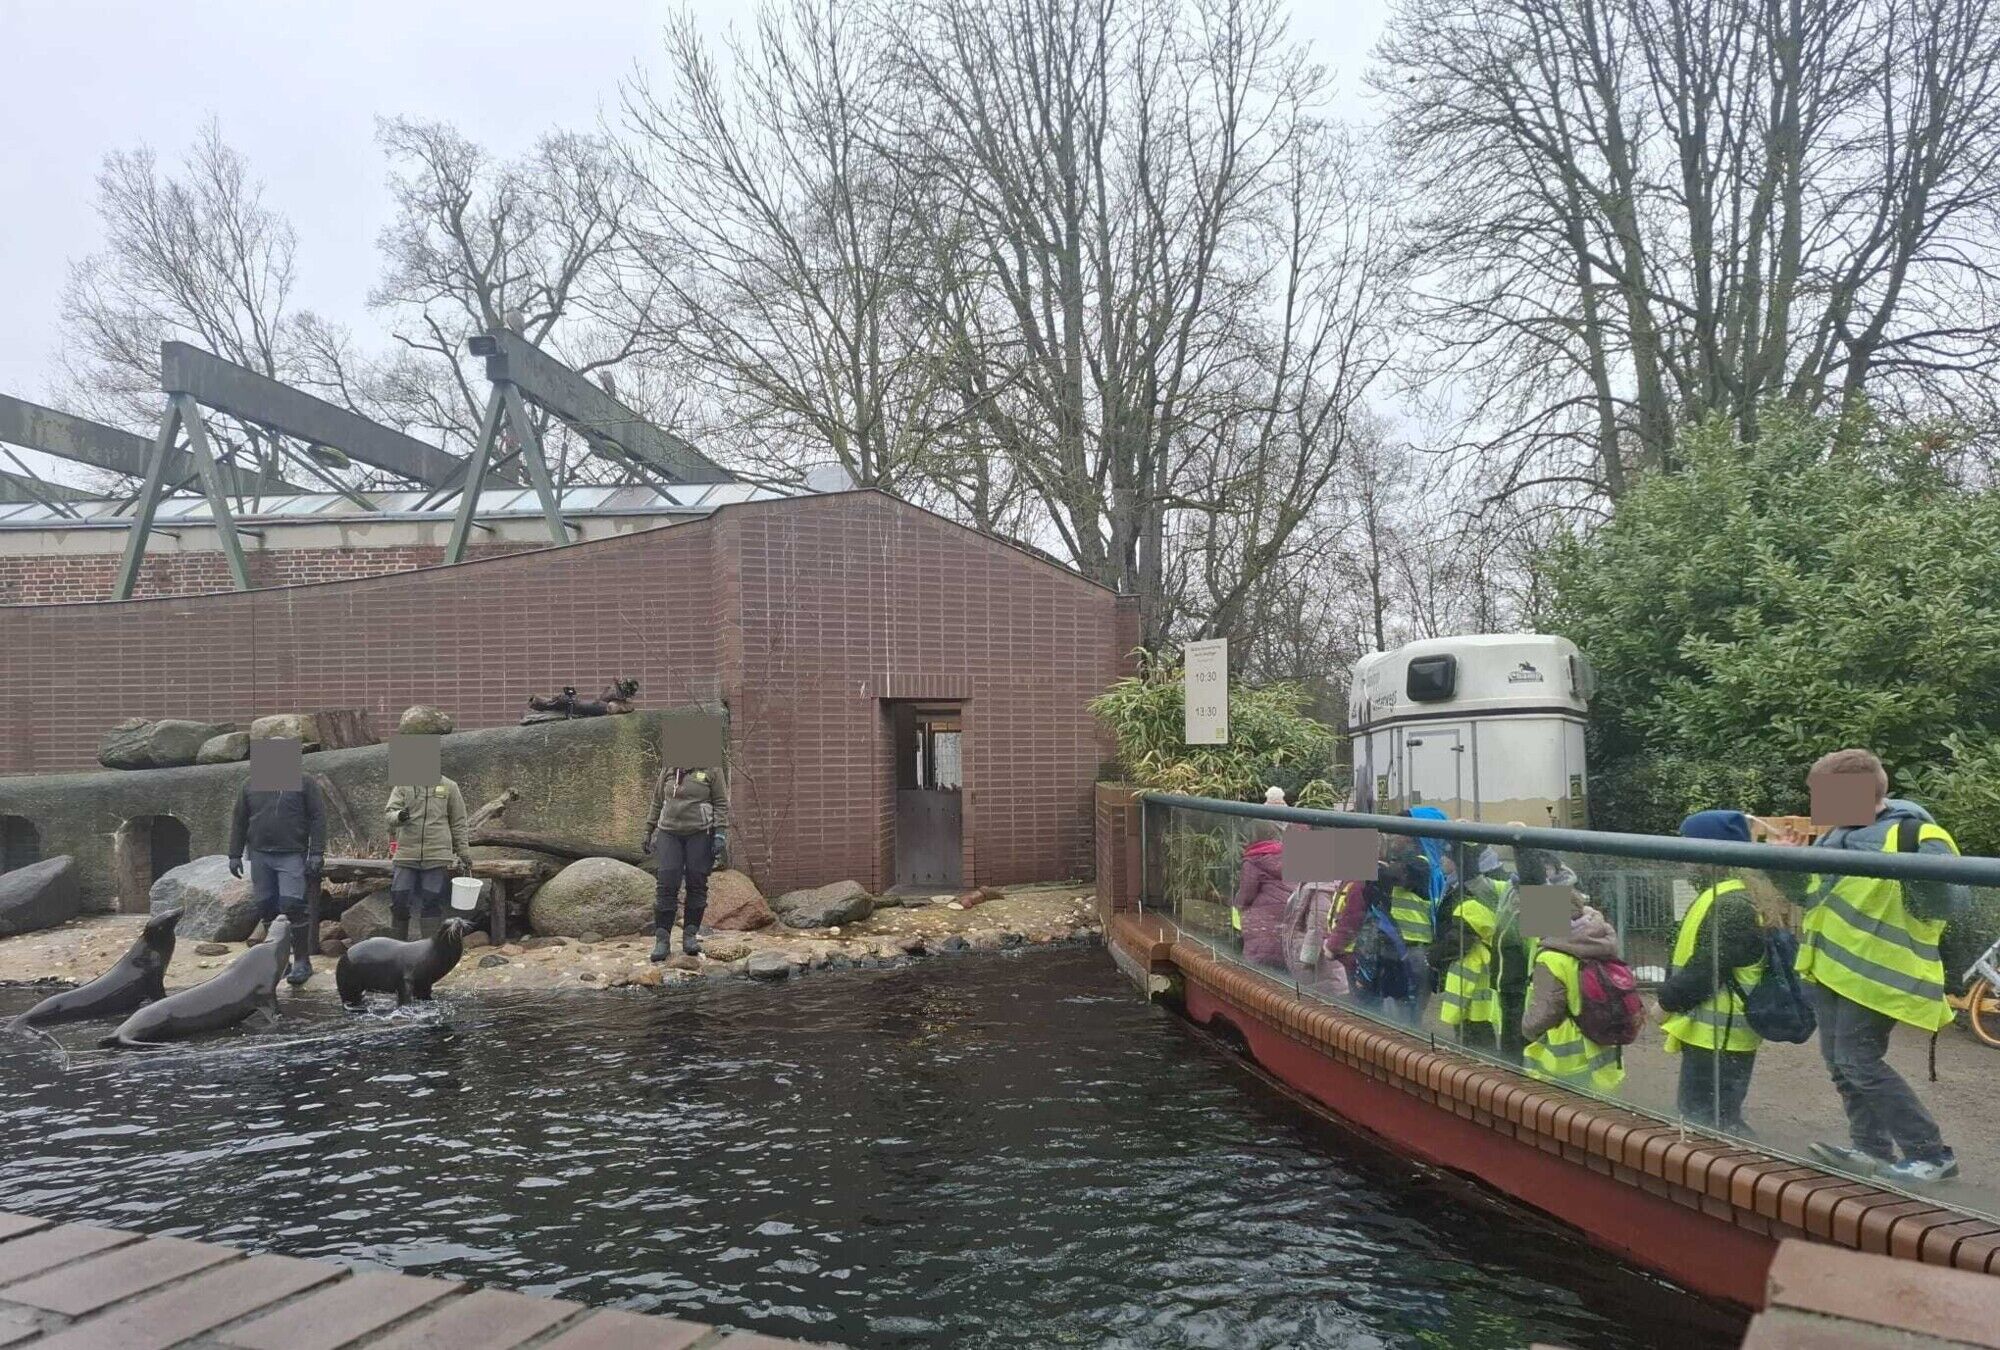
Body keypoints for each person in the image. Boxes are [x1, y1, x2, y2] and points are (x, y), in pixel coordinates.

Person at [1795, 749, 1965, 1184]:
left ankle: (1931, 1154)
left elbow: (1952, 902)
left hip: (1881, 975)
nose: (1817, 804)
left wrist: (1921, 879)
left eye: (1822, 795)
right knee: (1841, 1064)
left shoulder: (1919, 834)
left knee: (1859, 1063)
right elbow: (1811, 899)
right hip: (1832, 969)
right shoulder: (1834, 837)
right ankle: (1869, 1149)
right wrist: (1783, 866)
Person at [1657, 811, 1768, 1136]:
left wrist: (1668, 1000)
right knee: (1705, 1120)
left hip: (1721, 1032)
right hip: (1711, 1030)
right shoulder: (1719, 896)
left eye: (1689, 846)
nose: (1683, 858)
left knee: (1708, 1123)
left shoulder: (1731, 902)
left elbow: (1708, 965)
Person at [227, 771, 326, 987]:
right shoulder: (249, 784)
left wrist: (317, 852)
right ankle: (280, 962)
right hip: (260, 853)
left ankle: (302, 961)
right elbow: (239, 820)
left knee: (292, 905)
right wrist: (234, 854)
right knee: (265, 906)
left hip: (291, 852)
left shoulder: (304, 782)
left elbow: (318, 817)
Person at [1521, 891, 1625, 1095]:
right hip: (1603, 1046)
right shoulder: (1600, 944)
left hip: (1565, 1056)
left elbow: (1547, 1011)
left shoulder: (1551, 958)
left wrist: (1527, 1030)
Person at [643, 760, 728, 961]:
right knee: (667, 882)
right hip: (669, 832)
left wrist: (720, 834)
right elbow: (656, 800)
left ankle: (690, 936)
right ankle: (662, 940)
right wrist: (648, 830)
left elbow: (721, 803)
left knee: (696, 881)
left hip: (700, 832)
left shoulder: (711, 769)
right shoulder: (669, 768)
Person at [384, 777, 475, 941]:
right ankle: (396, 949)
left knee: (432, 902)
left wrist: (464, 852)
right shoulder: (404, 785)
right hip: (407, 854)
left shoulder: (449, 786)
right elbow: (389, 814)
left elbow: (458, 822)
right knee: (399, 899)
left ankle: (430, 950)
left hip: (437, 853)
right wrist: (399, 816)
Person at [1231, 826, 1292, 969]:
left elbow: (1246, 896)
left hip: (1263, 922)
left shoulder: (1253, 859)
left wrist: (1236, 905)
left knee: (1257, 965)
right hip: (1289, 916)